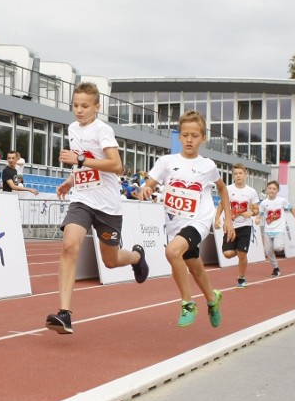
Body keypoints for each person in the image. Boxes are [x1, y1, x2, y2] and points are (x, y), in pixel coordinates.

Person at [46, 82, 149, 334]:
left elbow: (116, 165)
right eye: (75, 105)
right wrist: (71, 180)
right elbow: (83, 166)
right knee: (70, 245)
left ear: (96, 107)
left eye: (84, 106)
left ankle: (136, 257)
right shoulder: (72, 128)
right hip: (82, 199)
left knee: (111, 261)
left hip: (107, 205)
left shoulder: (103, 130)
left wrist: (79, 159)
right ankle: (65, 313)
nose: (79, 111)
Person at [139, 109, 233, 327]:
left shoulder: (208, 166)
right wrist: (145, 189)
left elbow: (223, 190)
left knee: (172, 252)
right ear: (179, 136)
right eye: (185, 135)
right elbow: (150, 182)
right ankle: (212, 299)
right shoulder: (166, 162)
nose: (189, 140)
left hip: (198, 220)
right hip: (175, 223)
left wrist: (228, 219)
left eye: (195, 136)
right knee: (195, 267)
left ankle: (187, 303)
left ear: (203, 138)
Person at [214, 163, 259, 288]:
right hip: (230, 226)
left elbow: (256, 209)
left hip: (245, 226)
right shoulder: (228, 189)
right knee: (227, 254)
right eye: (235, 174)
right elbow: (222, 205)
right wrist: (217, 218)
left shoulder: (251, 192)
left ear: (245, 174)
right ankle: (239, 251)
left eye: (240, 173)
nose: (238, 176)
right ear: (233, 176)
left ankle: (241, 278)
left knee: (242, 254)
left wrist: (251, 212)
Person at [256, 181, 295, 277]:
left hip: (279, 230)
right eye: (270, 188)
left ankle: (282, 242)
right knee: (268, 251)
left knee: (278, 247)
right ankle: (276, 268)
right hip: (267, 230)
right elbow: (261, 213)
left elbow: (291, 208)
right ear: (267, 189)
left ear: (277, 190)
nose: (271, 190)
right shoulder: (264, 203)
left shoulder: (281, 201)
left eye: (274, 189)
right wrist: (258, 218)